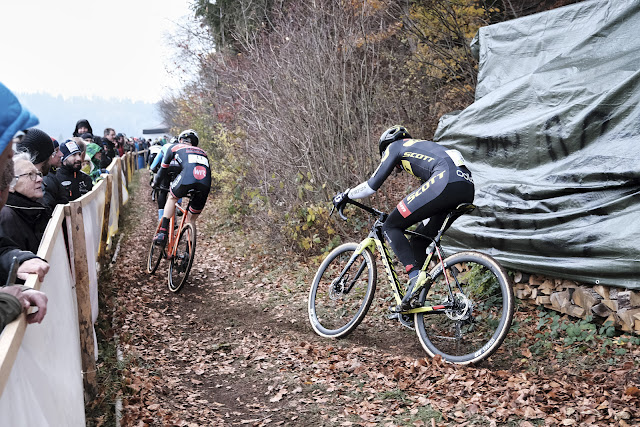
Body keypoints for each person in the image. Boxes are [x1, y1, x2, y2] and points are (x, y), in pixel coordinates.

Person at [333, 125, 475, 312]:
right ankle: (415, 300)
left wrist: (346, 195)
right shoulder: (425, 147)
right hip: (466, 187)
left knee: (391, 226)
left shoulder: (396, 146)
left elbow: (371, 185)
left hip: (444, 181)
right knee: (419, 239)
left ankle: (415, 278)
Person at [152, 129, 211, 246]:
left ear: (180, 140)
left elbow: (161, 171)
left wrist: (155, 183)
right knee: (191, 219)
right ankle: (188, 253)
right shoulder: (203, 152)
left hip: (187, 178)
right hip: (205, 183)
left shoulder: (173, 147)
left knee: (172, 198)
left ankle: (163, 232)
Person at [0, 153, 49, 253]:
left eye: (38, 174)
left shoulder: (37, 209)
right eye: (30, 174)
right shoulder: (7, 217)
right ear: (11, 184)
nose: (39, 179)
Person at [42, 139, 93, 210]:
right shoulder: (56, 179)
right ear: (64, 159)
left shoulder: (86, 178)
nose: (78, 158)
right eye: (73, 155)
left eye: (79, 154)